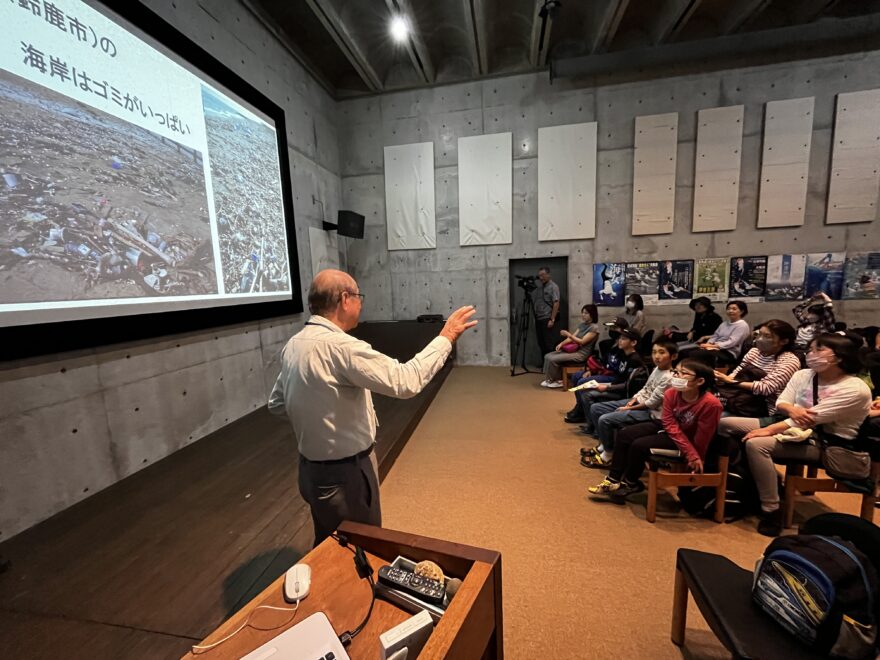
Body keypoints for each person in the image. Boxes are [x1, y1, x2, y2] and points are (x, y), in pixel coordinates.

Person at [268, 269, 477, 545]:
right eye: (358, 296)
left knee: (328, 547)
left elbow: (277, 404)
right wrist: (446, 337)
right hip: (346, 476)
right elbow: (406, 381)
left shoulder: (294, 345)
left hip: (310, 473)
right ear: (345, 299)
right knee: (361, 551)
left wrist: (316, 419)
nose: (361, 303)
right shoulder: (343, 347)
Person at [738, 333, 872, 536]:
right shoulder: (804, 374)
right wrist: (792, 410)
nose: (811, 353)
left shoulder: (855, 389)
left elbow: (811, 419)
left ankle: (771, 509)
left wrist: (768, 430)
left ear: (840, 356)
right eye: (810, 349)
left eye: (819, 349)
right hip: (792, 427)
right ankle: (749, 486)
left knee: (757, 444)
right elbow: (782, 402)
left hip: (829, 444)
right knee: (726, 426)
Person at [587, 359, 722, 500]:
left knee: (639, 445)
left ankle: (630, 483)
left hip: (688, 439)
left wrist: (694, 456)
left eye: (684, 373)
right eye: (676, 372)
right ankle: (613, 480)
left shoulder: (711, 404)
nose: (676, 376)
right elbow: (668, 422)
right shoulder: (671, 393)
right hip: (669, 429)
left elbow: (703, 437)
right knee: (625, 434)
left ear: (700, 381)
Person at [580, 338, 678, 468]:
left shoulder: (669, 377)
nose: (657, 356)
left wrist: (629, 408)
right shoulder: (657, 369)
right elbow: (645, 389)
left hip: (650, 413)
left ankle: (608, 455)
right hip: (638, 402)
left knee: (605, 419)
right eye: (654, 352)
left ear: (674, 356)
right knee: (596, 408)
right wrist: (632, 401)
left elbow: (652, 403)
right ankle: (604, 445)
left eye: (661, 352)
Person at [715, 320, 802, 428]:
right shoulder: (754, 352)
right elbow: (736, 373)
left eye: (767, 336)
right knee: (706, 407)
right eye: (759, 334)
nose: (759, 339)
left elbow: (766, 388)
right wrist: (724, 379)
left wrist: (731, 382)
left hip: (765, 408)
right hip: (740, 399)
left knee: (719, 419)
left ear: (783, 341)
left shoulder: (789, 360)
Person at [564, 328, 644, 426]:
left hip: (623, 392)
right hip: (615, 384)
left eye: (623, 339)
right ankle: (588, 420)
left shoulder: (635, 360)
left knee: (587, 394)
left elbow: (627, 385)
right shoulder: (623, 353)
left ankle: (593, 426)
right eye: (620, 338)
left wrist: (607, 387)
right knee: (583, 387)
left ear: (633, 342)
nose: (620, 340)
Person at [540, 304, 600, 388]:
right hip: (574, 350)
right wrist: (561, 344)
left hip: (581, 354)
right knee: (548, 356)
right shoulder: (582, 325)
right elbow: (571, 338)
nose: (583, 315)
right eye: (582, 312)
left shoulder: (594, 328)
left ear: (592, 314)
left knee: (553, 359)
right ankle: (549, 379)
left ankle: (558, 380)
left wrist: (568, 334)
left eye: (586, 313)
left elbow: (582, 342)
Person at [682, 300, 751, 368]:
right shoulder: (724, 323)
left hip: (728, 352)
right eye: (728, 309)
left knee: (694, 354)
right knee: (684, 352)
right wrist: (709, 344)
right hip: (715, 348)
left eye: (734, 309)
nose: (730, 311)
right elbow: (716, 335)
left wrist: (715, 346)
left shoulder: (742, 325)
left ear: (742, 311)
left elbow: (732, 342)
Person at [533, 266, 561, 358]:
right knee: (541, 343)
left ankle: (550, 366)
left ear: (548, 274)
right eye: (539, 276)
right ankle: (544, 364)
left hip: (547, 319)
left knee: (548, 343)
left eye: (543, 275)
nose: (541, 278)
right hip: (539, 319)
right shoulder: (541, 288)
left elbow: (556, 303)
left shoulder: (553, 287)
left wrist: (552, 319)